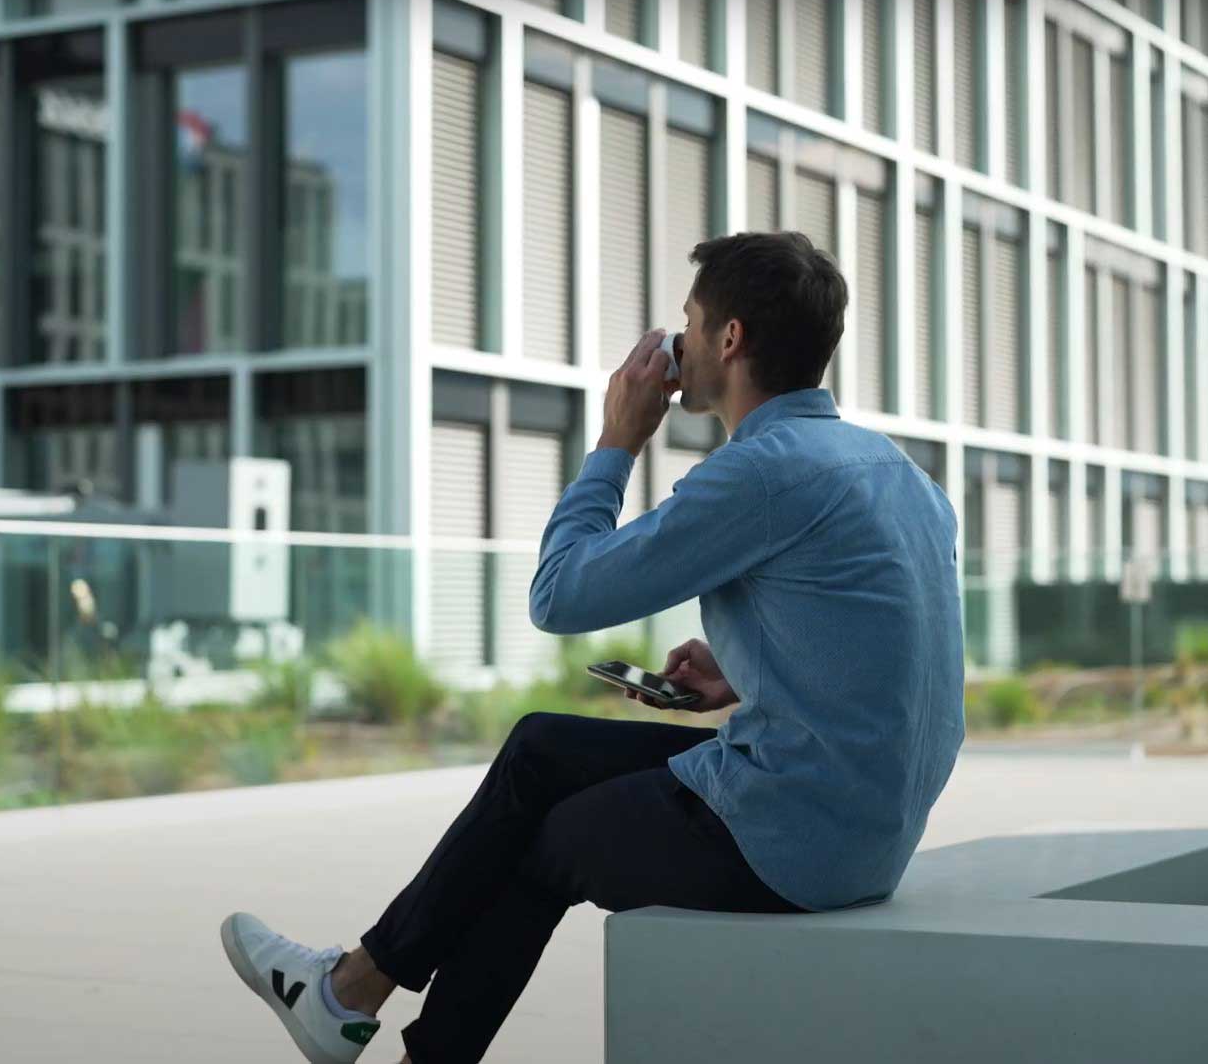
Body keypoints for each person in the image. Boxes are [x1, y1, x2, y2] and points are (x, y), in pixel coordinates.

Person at [219, 231, 966, 1064]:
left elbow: (559, 595)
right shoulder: (896, 470)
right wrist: (741, 670)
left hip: (796, 840)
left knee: (535, 843)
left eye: (688, 322)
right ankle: (347, 993)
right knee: (541, 746)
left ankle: (359, 1004)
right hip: (872, 829)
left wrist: (619, 438)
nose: (674, 344)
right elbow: (895, 648)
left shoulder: (761, 471)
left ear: (729, 340)